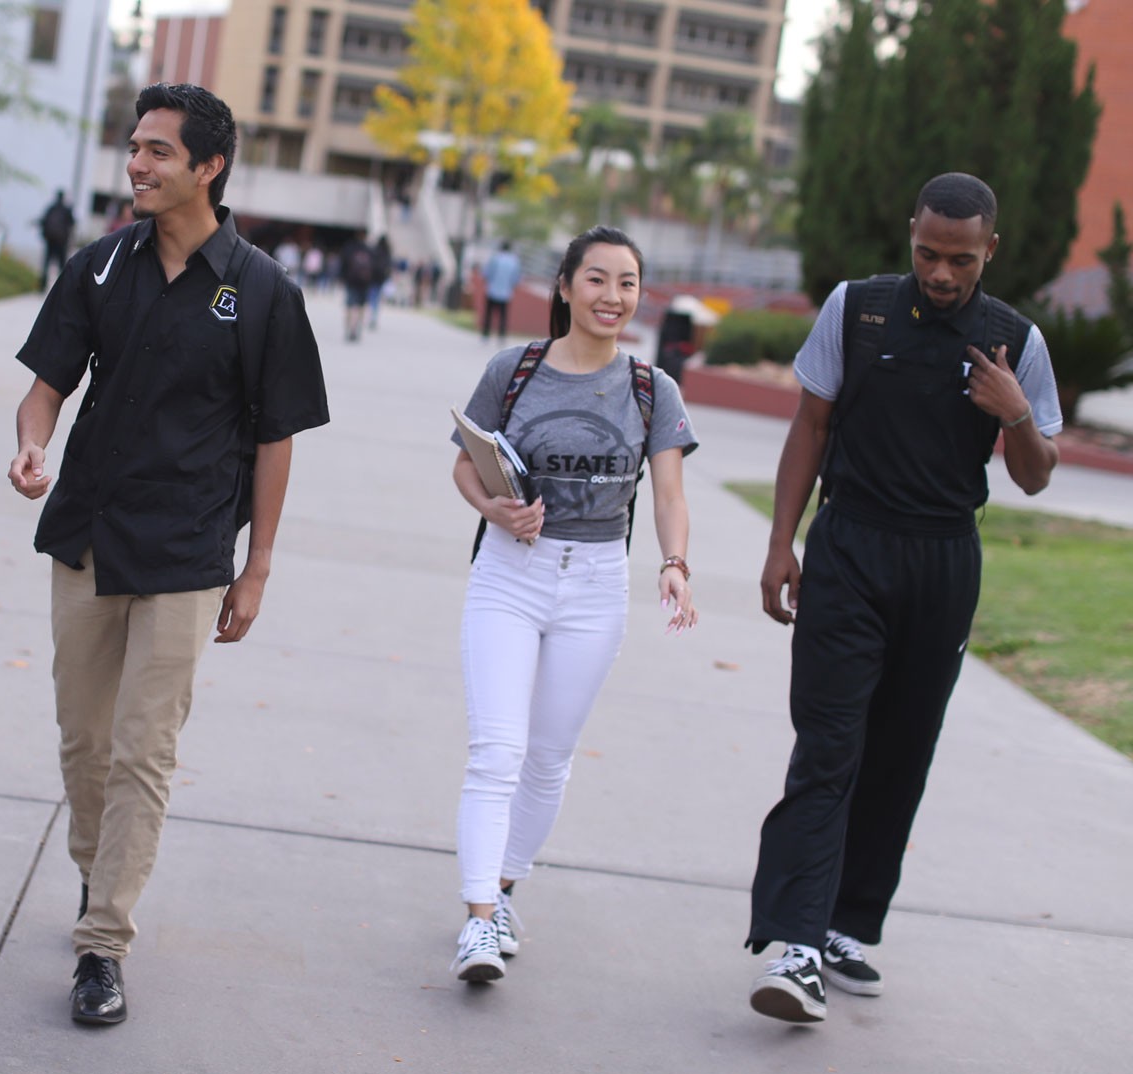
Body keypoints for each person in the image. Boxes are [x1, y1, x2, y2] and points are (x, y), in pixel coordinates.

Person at [6, 82, 329, 1026]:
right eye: (134, 147)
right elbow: (47, 386)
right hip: (88, 535)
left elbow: (277, 439)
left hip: (190, 550)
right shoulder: (99, 266)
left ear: (208, 167)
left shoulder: (265, 291)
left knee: (146, 750)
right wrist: (31, 440)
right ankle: (97, 878)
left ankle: (103, 943)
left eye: (157, 151)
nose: (137, 164)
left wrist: (258, 566)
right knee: (86, 744)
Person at [745, 173, 1062, 1023]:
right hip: (849, 547)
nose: (941, 273)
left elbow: (1035, 476)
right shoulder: (856, 308)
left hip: (943, 562)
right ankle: (796, 943)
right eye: (927, 252)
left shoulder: (1016, 342)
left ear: (990, 250)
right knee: (829, 745)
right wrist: (784, 540)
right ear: (911, 234)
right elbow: (810, 423)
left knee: (900, 752)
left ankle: (846, 924)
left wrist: (1017, 414)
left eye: (960, 258)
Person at [446, 225, 699, 982]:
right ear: (563, 287)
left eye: (626, 283)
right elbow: (466, 466)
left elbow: (670, 492)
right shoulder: (513, 370)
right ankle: (479, 924)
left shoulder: (653, 390)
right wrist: (495, 510)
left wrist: (675, 562)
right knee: (498, 751)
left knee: (549, 760)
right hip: (509, 574)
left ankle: (505, 886)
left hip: (594, 583)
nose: (610, 297)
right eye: (595, 279)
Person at [339, 233, 376, 342]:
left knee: (350, 306)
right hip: (364, 283)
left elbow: (343, 265)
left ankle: (349, 328)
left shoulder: (349, 248)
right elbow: (374, 268)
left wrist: (342, 277)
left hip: (351, 281)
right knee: (360, 307)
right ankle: (357, 327)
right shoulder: (369, 250)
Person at [481, 241, 520, 343]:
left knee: (488, 314)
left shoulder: (495, 258)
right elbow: (516, 278)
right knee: (503, 315)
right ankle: (501, 336)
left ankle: (485, 334)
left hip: (492, 290)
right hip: (506, 293)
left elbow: (487, 273)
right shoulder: (514, 261)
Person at [39, 190, 76, 289]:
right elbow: (72, 224)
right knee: (62, 266)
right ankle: (61, 287)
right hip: (61, 241)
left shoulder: (51, 208)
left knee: (46, 263)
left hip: (50, 240)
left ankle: (42, 285)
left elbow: (43, 221)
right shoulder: (66, 210)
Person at [367, 236, 393, 330]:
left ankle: (370, 317)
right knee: (376, 299)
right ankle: (373, 317)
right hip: (380, 279)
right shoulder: (387, 253)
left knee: (371, 298)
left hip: (372, 278)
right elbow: (389, 266)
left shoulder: (374, 251)